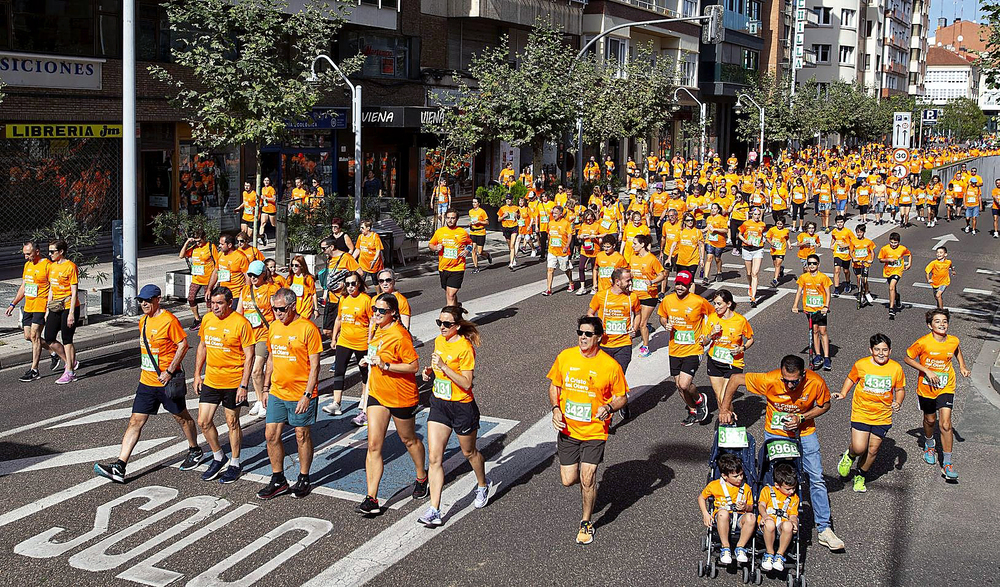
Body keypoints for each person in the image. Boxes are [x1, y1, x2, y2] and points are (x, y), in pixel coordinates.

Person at [718, 355, 845, 552]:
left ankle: (824, 529)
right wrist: (725, 408)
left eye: (794, 381)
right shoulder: (771, 379)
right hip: (777, 433)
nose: (789, 385)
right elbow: (735, 379)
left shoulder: (815, 382)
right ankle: (766, 521)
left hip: (804, 432)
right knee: (771, 477)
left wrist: (802, 417)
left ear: (803, 375)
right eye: (785, 380)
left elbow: (825, 405)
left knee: (816, 477)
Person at [94, 285, 202, 483]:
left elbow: (183, 345)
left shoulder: (169, 320)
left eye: (147, 300)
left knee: (182, 418)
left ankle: (195, 449)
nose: (143, 304)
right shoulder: (143, 320)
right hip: (146, 382)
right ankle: (120, 465)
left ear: (157, 299)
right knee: (135, 421)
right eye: (141, 300)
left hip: (167, 382)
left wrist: (169, 371)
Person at [548, 316, 629, 544]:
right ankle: (587, 491)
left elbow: (622, 396)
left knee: (588, 476)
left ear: (599, 337)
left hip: (594, 431)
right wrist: (555, 409)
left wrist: (609, 406)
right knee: (568, 479)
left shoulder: (610, 366)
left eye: (588, 334)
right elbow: (554, 385)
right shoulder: (566, 357)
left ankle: (586, 522)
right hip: (568, 430)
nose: (582, 337)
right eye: (580, 333)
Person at [417, 306, 492, 526]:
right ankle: (434, 509)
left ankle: (482, 485)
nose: (442, 327)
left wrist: (444, 366)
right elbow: (437, 368)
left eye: (447, 324)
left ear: (457, 326)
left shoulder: (465, 347)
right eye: (439, 322)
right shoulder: (440, 341)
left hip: (461, 406)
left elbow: (467, 383)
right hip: (439, 404)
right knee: (434, 458)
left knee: (469, 452)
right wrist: (430, 371)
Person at [357, 293, 428, 515]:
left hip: (400, 395)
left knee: (408, 440)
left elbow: (413, 366)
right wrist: (368, 360)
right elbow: (376, 355)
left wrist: (386, 365)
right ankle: (372, 497)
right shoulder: (378, 330)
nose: (376, 314)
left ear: (393, 313)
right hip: (377, 393)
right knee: (373, 445)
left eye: (381, 311)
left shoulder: (399, 335)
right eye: (374, 310)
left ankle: (421, 476)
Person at [257, 288, 322, 500]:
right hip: (277, 390)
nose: (277, 313)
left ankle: (304, 477)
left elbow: (315, 366)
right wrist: (265, 388)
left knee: (301, 435)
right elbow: (272, 359)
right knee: (270, 435)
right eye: (274, 309)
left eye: (281, 309)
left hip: (300, 392)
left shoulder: (308, 328)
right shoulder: (274, 327)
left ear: (292, 306)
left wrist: (307, 394)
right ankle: (278, 479)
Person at [193, 286, 255, 483]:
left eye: (220, 303)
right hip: (211, 380)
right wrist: (197, 375)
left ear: (230, 303)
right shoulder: (208, 319)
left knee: (232, 422)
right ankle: (219, 456)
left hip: (233, 381)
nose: (215, 307)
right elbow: (202, 346)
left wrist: (244, 385)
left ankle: (235, 463)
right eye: (212, 303)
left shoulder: (241, 323)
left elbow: (249, 355)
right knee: (203, 421)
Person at [832, 333, 906, 493]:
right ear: (871, 350)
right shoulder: (861, 364)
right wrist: (844, 393)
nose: (881, 353)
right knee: (859, 448)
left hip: (882, 415)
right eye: (877, 349)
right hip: (861, 411)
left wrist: (898, 402)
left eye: (885, 350)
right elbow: (851, 378)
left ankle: (861, 474)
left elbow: (900, 389)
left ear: (890, 351)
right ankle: (850, 456)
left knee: (872, 450)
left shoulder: (896, 368)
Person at [904, 309, 970, 481]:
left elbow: (956, 350)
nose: (942, 324)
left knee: (946, 424)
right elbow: (908, 358)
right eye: (937, 321)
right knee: (930, 420)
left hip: (946, 385)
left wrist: (962, 366)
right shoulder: (923, 343)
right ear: (930, 325)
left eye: (944, 321)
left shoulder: (953, 340)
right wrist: (926, 370)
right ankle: (929, 443)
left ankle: (947, 464)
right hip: (926, 388)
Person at [658, 270, 714, 425]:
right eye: (678, 284)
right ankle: (693, 410)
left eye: (683, 284)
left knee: (684, 383)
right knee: (679, 386)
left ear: (690, 285)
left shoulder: (698, 301)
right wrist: (665, 324)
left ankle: (699, 398)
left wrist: (707, 335)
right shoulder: (668, 300)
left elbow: (714, 315)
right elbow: (662, 316)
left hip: (693, 348)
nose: (680, 287)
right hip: (675, 349)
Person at [588, 268, 640, 421]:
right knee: (603, 380)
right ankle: (617, 405)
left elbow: (638, 314)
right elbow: (590, 313)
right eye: (628, 280)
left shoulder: (632, 297)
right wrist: (596, 328)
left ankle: (613, 409)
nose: (630, 282)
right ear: (617, 282)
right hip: (603, 346)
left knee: (616, 378)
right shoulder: (601, 296)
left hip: (623, 345)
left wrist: (634, 328)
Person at [323, 274, 372, 416]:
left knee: (364, 372)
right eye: (348, 284)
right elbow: (339, 319)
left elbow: (372, 321)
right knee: (339, 370)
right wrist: (334, 338)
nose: (350, 287)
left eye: (353, 284)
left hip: (361, 342)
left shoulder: (365, 300)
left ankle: (364, 397)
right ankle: (336, 403)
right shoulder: (343, 299)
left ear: (359, 284)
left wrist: (370, 339)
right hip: (344, 340)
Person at [240, 261, 281, 420]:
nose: (252, 277)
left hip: (265, 333)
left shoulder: (271, 289)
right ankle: (259, 399)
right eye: (250, 275)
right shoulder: (245, 290)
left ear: (264, 274)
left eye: (256, 275)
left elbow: (277, 312)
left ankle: (265, 401)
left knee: (257, 369)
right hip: (248, 335)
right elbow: (239, 313)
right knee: (252, 370)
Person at [698, 453, 755, 565]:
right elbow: (701, 497)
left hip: (739, 517)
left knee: (751, 517)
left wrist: (745, 507)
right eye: (736, 476)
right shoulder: (715, 485)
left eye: (741, 474)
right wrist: (705, 513)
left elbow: (751, 506)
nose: (740, 478)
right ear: (724, 476)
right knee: (723, 513)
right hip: (722, 516)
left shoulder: (746, 488)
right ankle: (725, 547)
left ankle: (740, 547)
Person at [700, 289, 754, 409]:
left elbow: (750, 339)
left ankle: (730, 423)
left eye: (719, 304)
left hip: (733, 363)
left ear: (728, 304)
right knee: (719, 398)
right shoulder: (713, 318)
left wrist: (742, 348)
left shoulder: (740, 320)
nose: (716, 307)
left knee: (725, 398)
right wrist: (711, 334)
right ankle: (725, 423)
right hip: (714, 361)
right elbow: (703, 342)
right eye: (715, 303)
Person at [8, 241, 50, 382]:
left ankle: (34, 370)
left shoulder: (47, 265)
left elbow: (54, 287)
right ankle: (55, 351)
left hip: (41, 305)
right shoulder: (28, 266)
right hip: (29, 306)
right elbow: (24, 286)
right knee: (28, 336)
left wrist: (49, 307)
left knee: (35, 336)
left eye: (28, 254)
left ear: (37, 251)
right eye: (24, 254)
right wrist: (13, 303)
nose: (26, 257)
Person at [44, 240, 81, 385]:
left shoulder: (70, 267)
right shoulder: (52, 267)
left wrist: (71, 313)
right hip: (55, 306)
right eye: (50, 251)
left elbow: (74, 291)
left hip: (68, 305)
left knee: (67, 338)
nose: (50, 254)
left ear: (61, 252)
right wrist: (48, 308)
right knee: (49, 337)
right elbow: (52, 288)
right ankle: (70, 361)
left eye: (52, 251)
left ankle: (70, 372)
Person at [793, 254, 832, 371]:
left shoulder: (823, 277)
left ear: (818, 264)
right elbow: (799, 291)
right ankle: (818, 354)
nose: (811, 265)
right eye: (809, 263)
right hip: (809, 309)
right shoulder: (804, 277)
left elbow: (828, 293)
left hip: (820, 309)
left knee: (823, 331)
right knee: (814, 331)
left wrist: (826, 306)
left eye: (814, 263)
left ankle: (826, 357)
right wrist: (795, 305)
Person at [758, 463, 800, 572]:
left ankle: (780, 555)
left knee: (788, 525)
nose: (791, 491)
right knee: (770, 524)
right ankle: (769, 553)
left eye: (793, 488)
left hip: (783, 523)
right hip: (767, 521)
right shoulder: (767, 491)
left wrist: (793, 523)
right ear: (777, 485)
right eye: (788, 489)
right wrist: (765, 516)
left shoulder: (794, 498)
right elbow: (761, 505)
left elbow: (793, 515)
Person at [629, 234, 666, 357]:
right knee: (634, 323)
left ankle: (646, 347)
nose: (633, 246)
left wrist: (652, 281)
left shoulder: (651, 259)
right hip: (635, 295)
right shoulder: (633, 257)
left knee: (642, 323)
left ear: (642, 244)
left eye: (635, 243)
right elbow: (631, 273)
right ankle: (646, 331)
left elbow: (662, 275)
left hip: (649, 296)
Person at [320, 236, 361, 345]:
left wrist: (345, 284)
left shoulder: (346, 257)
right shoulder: (330, 259)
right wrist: (325, 294)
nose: (322, 251)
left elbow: (359, 273)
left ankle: (342, 349)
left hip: (342, 298)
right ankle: (342, 344)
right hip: (330, 298)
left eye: (324, 248)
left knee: (339, 327)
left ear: (332, 247)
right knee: (327, 331)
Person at [428, 209, 472, 307]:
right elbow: (430, 244)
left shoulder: (462, 232)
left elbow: (470, 244)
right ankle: (456, 307)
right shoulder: (440, 232)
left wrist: (467, 250)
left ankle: (450, 319)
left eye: (453, 218)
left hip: (457, 267)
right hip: (443, 268)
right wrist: (435, 247)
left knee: (451, 295)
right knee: (448, 293)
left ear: (457, 219)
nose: (450, 220)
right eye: (448, 218)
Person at [179, 229, 218, 329]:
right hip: (196, 279)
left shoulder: (210, 247)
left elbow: (218, 263)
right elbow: (181, 255)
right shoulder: (194, 248)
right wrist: (187, 242)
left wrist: (216, 279)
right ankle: (197, 319)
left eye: (200, 241)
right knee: (191, 298)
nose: (198, 243)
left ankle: (208, 320)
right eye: (196, 241)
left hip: (208, 279)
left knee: (208, 301)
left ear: (204, 238)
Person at [209, 233, 249, 310]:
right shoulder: (220, 254)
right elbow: (216, 272)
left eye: (222, 244)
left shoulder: (240, 257)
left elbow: (247, 276)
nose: (219, 246)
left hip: (236, 294)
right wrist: (209, 288)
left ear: (229, 245)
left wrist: (247, 293)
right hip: (223, 293)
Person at [877, 232, 911, 320]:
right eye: (891, 242)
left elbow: (909, 254)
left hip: (898, 270)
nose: (893, 244)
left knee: (891, 287)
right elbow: (880, 259)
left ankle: (891, 308)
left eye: (895, 243)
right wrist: (888, 260)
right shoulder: (885, 249)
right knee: (893, 289)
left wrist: (909, 264)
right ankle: (897, 297)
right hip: (888, 271)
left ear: (898, 242)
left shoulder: (902, 249)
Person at [542, 205, 574, 295]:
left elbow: (570, 235)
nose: (554, 214)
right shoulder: (551, 223)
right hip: (552, 250)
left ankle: (571, 282)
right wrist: (549, 244)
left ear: (561, 214)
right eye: (553, 213)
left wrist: (566, 246)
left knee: (565, 269)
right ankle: (549, 289)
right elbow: (549, 234)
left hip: (562, 251)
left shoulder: (566, 223)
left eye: (556, 213)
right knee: (550, 269)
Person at [738, 207, 766, 306]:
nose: (757, 216)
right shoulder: (746, 223)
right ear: (751, 215)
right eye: (755, 214)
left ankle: (753, 297)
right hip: (747, 249)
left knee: (755, 273)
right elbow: (740, 234)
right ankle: (750, 285)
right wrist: (745, 241)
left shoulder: (762, 224)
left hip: (758, 249)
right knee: (749, 272)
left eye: (759, 214)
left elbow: (763, 234)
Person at [849, 224, 876, 308]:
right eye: (857, 232)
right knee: (858, 279)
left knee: (864, 280)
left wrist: (871, 260)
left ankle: (867, 292)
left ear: (864, 232)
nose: (859, 234)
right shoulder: (853, 241)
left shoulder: (868, 242)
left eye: (860, 232)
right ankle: (860, 293)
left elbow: (872, 252)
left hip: (865, 264)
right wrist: (853, 258)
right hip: (857, 264)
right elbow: (850, 252)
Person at [576, 209, 601, 295]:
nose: (588, 221)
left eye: (590, 219)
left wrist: (596, 236)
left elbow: (603, 236)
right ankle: (582, 287)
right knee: (581, 267)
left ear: (593, 217)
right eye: (586, 220)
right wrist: (580, 236)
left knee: (595, 268)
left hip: (595, 250)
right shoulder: (583, 225)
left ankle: (595, 286)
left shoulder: (597, 225)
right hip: (585, 250)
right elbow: (578, 236)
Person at [703, 203, 728, 285]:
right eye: (712, 208)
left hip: (719, 241)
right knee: (709, 257)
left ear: (718, 210)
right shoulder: (709, 218)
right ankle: (706, 277)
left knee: (717, 258)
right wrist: (703, 230)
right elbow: (708, 227)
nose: (713, 210)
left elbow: (725, 230)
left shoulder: (722, 218)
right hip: (709, 240)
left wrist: (715, 229)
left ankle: (719, 272)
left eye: (715, 208)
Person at [829, 215, 855, 295]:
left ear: (844, 222)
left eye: (841, 222)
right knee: (837, 270)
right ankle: (836, 289)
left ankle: (847, 282)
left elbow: (854, 241)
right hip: (837, 253)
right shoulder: (834, 231)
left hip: (846, 254)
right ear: (836, 223)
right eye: (838, 222)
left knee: (846, 271)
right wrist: (831, 245)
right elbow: (834, 238)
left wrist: (846, 245)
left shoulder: (848, 231)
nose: (840, 224)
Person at [354, 220, 384, 286]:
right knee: (361, 280)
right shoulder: (360, 237)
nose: (361, 229)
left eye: (362, 228)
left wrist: (374, 260)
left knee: (375, 280)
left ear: (368, 228)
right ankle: (361, 294)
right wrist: (352, 259)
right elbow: (358, 249)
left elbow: (378, 250)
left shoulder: (375, 236)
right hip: (363, 263)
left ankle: (378, 294)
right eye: (360, 228)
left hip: (373, 264)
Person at [287, 255, 317, 321]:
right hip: (294, 309)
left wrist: (316, 309)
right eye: (292, 265)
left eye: (296, 265)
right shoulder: (290, 278)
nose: (294, 267)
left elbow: (313, 294)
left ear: (302, 266)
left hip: (305, 309)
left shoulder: (308, 279)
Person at [467, 197, 493, 273]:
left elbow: (487, 222)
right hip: (473, 232)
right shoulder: (470, 211)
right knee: (473, 250)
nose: (473, 204)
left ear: (478, 203)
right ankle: (476, 267)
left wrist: (479, 222)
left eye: (475, 202)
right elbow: (471, 220)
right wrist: (470, 223)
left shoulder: (482, 212)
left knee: (480, 252)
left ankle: (487, 255)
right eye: (473, 202)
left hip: (481, 232)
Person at [765, 216, 789, 288]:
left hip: (781, 250)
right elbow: (767, 237)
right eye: (778, 223)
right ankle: (780, 270)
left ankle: (775, 279)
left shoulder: (786, 231)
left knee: (778, 264)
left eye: (781, 224)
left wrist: (789, 245)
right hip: (774, 250)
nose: (779, 225)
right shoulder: (772, 230)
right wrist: (771, 242)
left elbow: (787, 238)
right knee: (775, 264)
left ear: (783, 224)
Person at [498, 195, 520, 270]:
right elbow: (498, 219)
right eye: (507, 199)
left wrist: (517, 215)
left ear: (512, 200)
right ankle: (513, 256)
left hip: (514, 227)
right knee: (509, 245)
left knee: (512, 244)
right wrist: (504, 216)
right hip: (506, 228)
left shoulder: (516, 208)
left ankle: (511, 263)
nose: (508, 201)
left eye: (509, 199)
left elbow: (519, 217)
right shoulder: (502, 208)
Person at [259, 176, 276, 245]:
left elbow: (274, 199)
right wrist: (260, 204)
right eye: (265, 180)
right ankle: (262, 237)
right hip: (264, 208)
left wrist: (266, 198)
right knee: (262, 223)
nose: (266, 182)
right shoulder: (262, 189)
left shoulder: (271, 189)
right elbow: (261, 198)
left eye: (267, 180)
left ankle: (280, 235)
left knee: (274, 224)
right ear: (263, 181)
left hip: (271, 209)